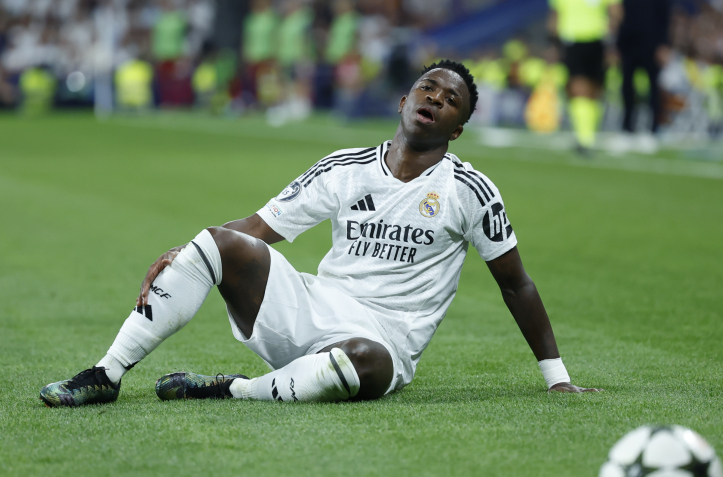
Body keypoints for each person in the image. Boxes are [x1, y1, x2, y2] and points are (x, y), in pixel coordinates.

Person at [40, 60, 600, 407]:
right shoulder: (344, 166)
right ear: (404, 101)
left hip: (384, 341)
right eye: (428, 88)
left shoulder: (471, 191)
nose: (436, 99)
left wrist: (556, 378)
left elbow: (516, 284)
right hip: (311, 306)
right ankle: (104, 375)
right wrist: (192, 252)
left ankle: (231, 389)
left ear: (459, 127)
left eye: (451, 100)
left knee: (367, 361)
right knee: (218, 239)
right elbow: (259, 228)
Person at [548, 0, 623, 152]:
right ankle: (585, 138)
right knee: (578, 87)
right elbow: (555, 16)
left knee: (595, 91)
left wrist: (613, 41)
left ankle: (587, 135)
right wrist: (553, 45)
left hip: (597, 41)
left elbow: (616, 11)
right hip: (572, 41)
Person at [616, 0, 672, 136]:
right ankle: (627, 125)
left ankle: (654, 127)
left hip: (651, 43)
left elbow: (664, 16)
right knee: (627, 86)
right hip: (628, 43)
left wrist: (663, 44)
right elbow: (618, 15)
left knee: (654, 87)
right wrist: (617, 44)